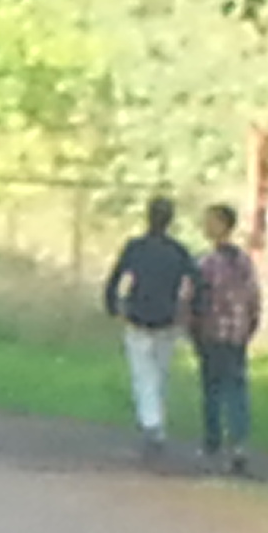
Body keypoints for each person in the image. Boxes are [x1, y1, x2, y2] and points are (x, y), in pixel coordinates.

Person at [103, 195, 199, 459]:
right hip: (167, 319)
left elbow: (115, 278)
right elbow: (197, 281)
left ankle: (151, 424)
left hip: (137, 316)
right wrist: (190, 310)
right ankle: (156, 421)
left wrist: (113, 306)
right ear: (171, 220)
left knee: (142, 372)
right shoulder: (178, 250)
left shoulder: (135, 248)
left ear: (148, 217)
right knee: (160, 371)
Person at [187, 200, 262, 474]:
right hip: (237, 334)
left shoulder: (205, 263)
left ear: (223, 226)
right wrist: (249, 327)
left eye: (212, 221)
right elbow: (254, 298)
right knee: (235, 389)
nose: (207, 226)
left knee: (213, 389)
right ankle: (237, 442)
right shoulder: (243, 262)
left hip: (212, 332)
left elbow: (193, 298)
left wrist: (193, 327)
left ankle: (214, 441)